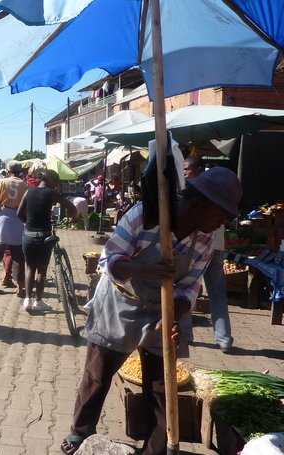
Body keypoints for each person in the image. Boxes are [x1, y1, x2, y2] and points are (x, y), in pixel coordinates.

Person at [61, 167, 242, 455]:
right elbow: (109, 260)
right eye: (221, 215)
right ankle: (79, 434)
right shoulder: (144, 215)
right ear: (200, 203)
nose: (222, 223)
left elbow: (190, 288)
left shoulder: (205, 241)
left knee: (162, 386)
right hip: (121, 300)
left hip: (161, 310)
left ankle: (157, 447)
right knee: (97, 374)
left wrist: (176, 314)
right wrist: (141, 268)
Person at [183, 157, 233, 353]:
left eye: (187, 168)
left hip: (209, 246)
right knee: (208, 290)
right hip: (212, 244)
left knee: (191, 285)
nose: (184, 172)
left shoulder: (196, 189)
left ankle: (219, 338)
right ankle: (223, 338)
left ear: (198, 169)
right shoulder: (212, 186)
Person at [18, 169, 77, 311]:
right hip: (44, 237)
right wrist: (73, 218)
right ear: (51, 181)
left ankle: (27, 300)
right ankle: (38, 301)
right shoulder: (52, 194)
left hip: (29, 236)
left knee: (29, 267)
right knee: (41, 270)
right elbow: (71, 208)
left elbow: (19, 213)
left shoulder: (29, 192)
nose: (56, 186)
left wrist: (28, 223)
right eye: (56, 183)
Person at [0, 161, 28, 297]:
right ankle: (20, 287)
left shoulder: (2, 182)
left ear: (8, 170)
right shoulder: (24, 185)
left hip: (2, 220)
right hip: (18, 221)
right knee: (18, 257)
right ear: (20, 171)